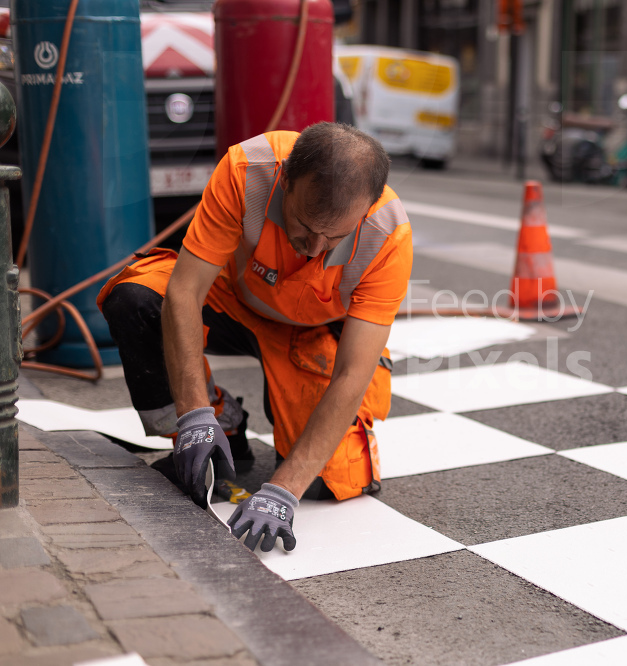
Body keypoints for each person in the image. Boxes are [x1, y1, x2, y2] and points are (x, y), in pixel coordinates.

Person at [98, 122, 413, 554]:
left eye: (335, 235)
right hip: (233, 299)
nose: (315, 248)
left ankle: (260, 452)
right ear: (286, 180)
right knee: (136, 298)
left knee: (327, 481)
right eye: (303, 226)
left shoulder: (389, 235)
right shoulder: (248, 170)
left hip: (313, 335)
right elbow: (186, 292)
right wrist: (193, 413)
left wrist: (285, 489)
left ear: (368, 206)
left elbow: (351, 375)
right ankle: (219, 424)